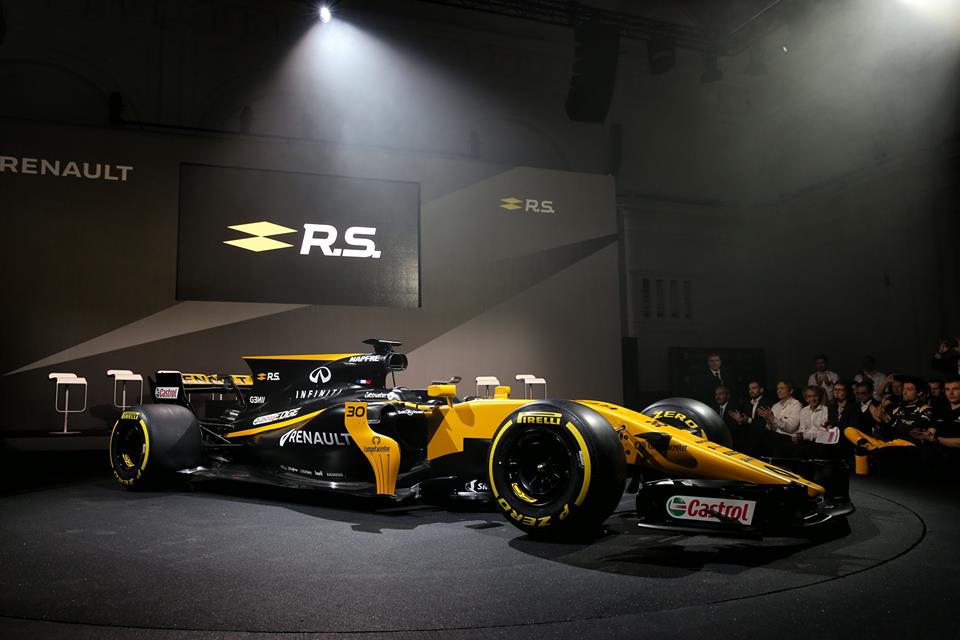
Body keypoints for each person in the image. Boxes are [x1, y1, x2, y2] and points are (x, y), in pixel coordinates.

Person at [757, 380, 802, 457]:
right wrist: (769, 421)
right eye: (778, 388)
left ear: (790, 391)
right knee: (759, 434)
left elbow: (791, 428)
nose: (778, 391)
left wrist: (772, 418)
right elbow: (771, 429)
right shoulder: (775, 406)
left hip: (788, 439)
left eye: (782, 388)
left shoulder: (796, 405)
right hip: (775, 439)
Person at [793, 385, 841, 456]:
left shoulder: (826, 411)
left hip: (820, 445)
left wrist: (804, 436)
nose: (813, 399)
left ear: (819, 397)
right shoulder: (803, 411)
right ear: (806, 399)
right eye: (810, 396)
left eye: (815, 396)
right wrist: (797, 435)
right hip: (805, 442)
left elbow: (823, 433)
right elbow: (802, 428)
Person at [729, 379, 769, 455]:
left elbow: (764, 424)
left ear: (761, 390)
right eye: (749, 389)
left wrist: (748, 420)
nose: (751, 391)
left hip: (762, 442)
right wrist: (740, 420)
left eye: (754, 388)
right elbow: (744, 420)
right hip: (747, 441)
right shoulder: (747, 403)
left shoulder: (767, 403)